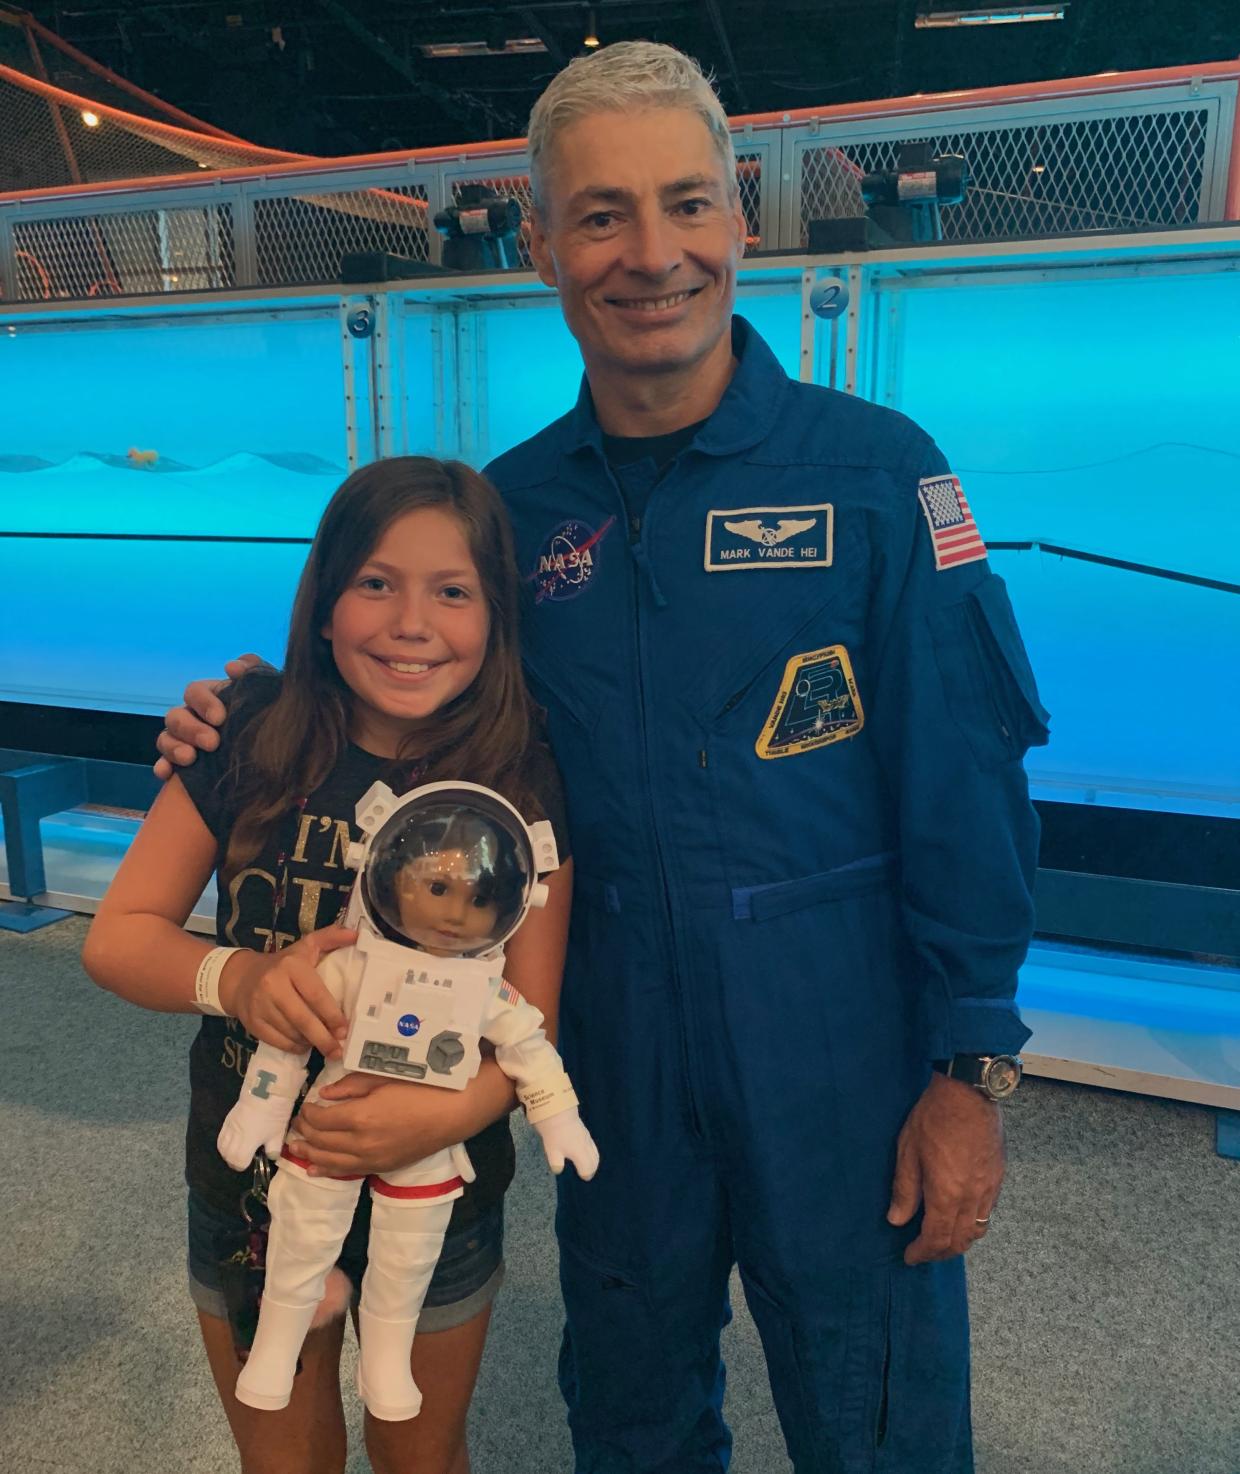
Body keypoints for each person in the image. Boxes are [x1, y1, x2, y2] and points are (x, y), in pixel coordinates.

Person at [156, 41, 1050, 1474]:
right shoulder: (507, 518)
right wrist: (236, 721)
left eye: (686, 205)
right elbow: (393, 698)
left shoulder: (880, 475)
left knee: (877, 1407)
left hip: (839, 1042)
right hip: (605, 1035)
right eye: (601, 215)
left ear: (741, 220)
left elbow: (968, 784)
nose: (653, 255)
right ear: (542, 244)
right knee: (629, 1406)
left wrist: (973, 1069)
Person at [84, 456, 574, 1474]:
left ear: (495, 618)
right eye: (375, 583)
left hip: (438, 1189)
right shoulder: (243, 735)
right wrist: (245, 981)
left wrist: (445, 1113)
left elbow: (531, 1015)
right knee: (285, 1456)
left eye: (453, 591)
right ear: (322, 602)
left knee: (421, 1454)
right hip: (253, 1193)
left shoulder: (518, 772)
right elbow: (119, 933)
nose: (410, 621)